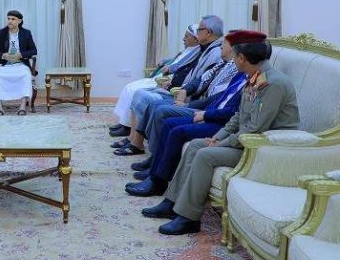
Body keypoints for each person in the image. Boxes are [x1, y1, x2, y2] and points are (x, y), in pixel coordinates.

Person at [142, 31, 299, 235]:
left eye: (235, 56)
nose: (233, 59)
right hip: (247, 140)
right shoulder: (255, 77)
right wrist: (218, 137)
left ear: (242, 58)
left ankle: (189, 218)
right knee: (197, 144)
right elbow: (239, 117)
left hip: (264, 149)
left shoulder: (272, 83)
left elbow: (254, 129)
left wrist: (221, 144)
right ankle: (172, 203)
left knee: (205, 154)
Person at [113, 15, 225, 155]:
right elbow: (186, 70)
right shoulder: (205, 49)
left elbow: (201, 81)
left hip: (190, 98)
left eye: (199, 30)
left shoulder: (215, 53)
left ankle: (145, 148)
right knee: (140, 95)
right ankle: (134, 140)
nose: (196, 33)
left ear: (208, 32)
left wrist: (181, 90)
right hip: (180, 90)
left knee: (149, 101)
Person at [109, 24, 201, 137]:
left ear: (196, 39)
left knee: (134, 90)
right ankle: (124, 123)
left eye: (186, 36)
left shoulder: (196, 52)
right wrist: (165, 62)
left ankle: (128, 127)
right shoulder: (187, 50)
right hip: (164, 78)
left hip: (166, 80)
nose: (183, 39)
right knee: (130, 86)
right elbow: (175, 61)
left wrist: (169, 70)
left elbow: (179, 68)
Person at [0, 10, 37, 115]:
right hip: (4, 65)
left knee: (26, 75)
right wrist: (3, 55)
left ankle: (22, 107)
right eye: (8, 18)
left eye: (13, 19)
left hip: (21, 64)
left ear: (19, 21)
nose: (10, 21)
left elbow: (34, 51)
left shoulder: (26, 33)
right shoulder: (0, 33)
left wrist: (21, 54)